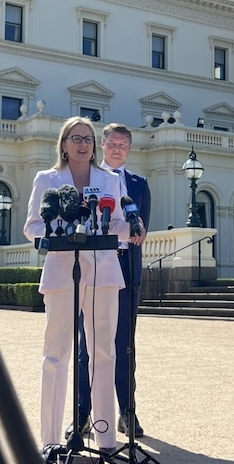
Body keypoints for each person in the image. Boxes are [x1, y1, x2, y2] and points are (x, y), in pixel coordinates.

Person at [23, 116, 142, 454]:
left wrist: (131, 228)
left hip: (103, 274)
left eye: (88, 138)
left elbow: (117, 222)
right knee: (55, 355)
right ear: (63, 144)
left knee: (104, 354)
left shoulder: (109, 180)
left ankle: (106, 441)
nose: (83, 143)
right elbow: (32, 226)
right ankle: (49, 440)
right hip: (62, 273)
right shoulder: (46, 179)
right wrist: (59, 230)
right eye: (76, 137)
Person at [76, 123, 150, 438]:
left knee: (125, 347)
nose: (117, 148)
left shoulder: (139, 184)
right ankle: (82, 413)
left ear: (129, 149)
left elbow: (139, 231)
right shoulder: (87, 180)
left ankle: (127, 412)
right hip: (93, 269)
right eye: (112, 143)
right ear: (102, 146)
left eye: (123, 144)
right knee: (86, 345)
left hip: (126, 271)